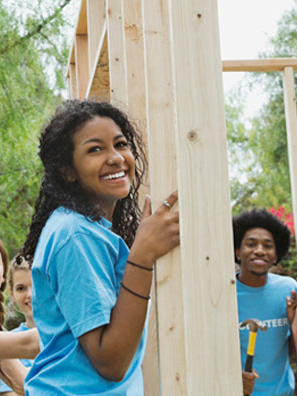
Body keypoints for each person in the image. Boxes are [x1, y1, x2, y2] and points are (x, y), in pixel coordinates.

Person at [19, 99, 179, 396]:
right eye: (95, 149)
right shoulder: (74, 235)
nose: (116, 157)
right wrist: (142, 254)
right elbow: (110, 362)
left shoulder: (89, 230)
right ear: (68, 170)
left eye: (121, 144)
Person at [233, 208, 297, 395]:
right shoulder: (225, 295)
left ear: (276, 255)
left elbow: (291, 352)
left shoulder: (289, 290)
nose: (259, 251)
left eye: (268, 246)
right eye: (251, 244)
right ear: (238, 251)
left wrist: (294, 322)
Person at [0, 255, 35, 395]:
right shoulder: (7, 343)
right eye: (21, 288)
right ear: (12, 294)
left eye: (37, 285)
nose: (30, 295)